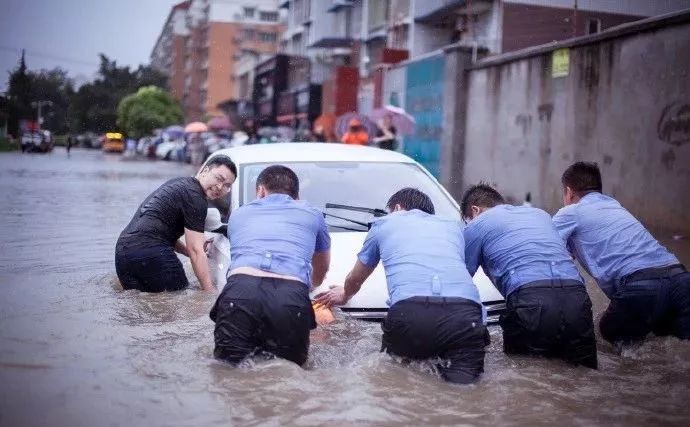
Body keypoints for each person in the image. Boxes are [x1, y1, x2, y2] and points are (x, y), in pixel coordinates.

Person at [316, 188, 488, 384]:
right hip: (466, 318)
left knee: (397, 384)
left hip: (410, 315)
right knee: (464, 392)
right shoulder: (455, 227)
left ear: (397, 208)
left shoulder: (384, 224)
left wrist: (345, 294)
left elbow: (355, 279)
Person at [461, 184, 597, 369]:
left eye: (467, 220)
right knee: (584, 378)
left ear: (475, 211)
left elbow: (461, 277)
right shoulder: (540, 215)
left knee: (526, 380)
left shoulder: (478, 224)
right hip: (577, 299)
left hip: (531, 302)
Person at [553, 162, 689, 346]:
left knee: (607, 331)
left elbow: (546, 250)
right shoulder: (615, 206)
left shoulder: (570, 213)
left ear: (568, 192)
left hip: (642, 285)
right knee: (671, 343)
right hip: (681, 279)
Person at [210, 165, 331, 366]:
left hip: (240, 292)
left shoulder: (239, 214)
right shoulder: (314, 214)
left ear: (260, 191)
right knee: (290, 372)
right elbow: (322, 264)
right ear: (297, 195)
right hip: (289, 297)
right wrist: (310, 286)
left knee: (227, 371)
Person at [115, 155, 237, 293]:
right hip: (151, 253)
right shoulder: (195, 197)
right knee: (179, 300)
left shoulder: (179, 183)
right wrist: (209, 291)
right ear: (205, 171)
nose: (220, 187)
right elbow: (196, 250)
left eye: (227, 185)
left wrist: (186, 251)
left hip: (123, 253)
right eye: (219, 178)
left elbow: (159, 231)